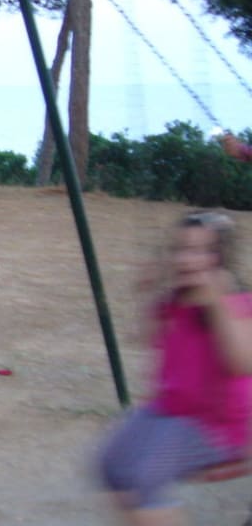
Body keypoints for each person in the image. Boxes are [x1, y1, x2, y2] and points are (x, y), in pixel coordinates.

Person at [95, 211, 252, 525]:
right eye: (182, 249)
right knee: (111, 464)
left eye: (201, 251)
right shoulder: (175, 301)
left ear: (220, 259)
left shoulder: (235, 301)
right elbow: (145, 338)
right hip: (168, 409)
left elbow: (242, 362)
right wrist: (147, 292)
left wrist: (217, 301)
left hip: (216, 424)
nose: (188, 259)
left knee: (143, 476)